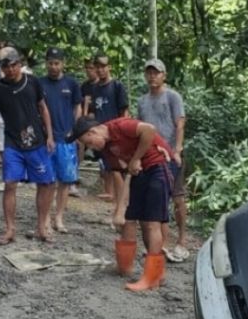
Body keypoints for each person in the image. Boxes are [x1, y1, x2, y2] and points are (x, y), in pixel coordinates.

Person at [69, 116, 173, 292]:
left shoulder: (121, 126)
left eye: (90, 143)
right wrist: (119, 209)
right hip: (138, 175)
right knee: (130, 219)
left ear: (93, 131)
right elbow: (125, 176)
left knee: (152, 223)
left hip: (157, 168)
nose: (91, 148)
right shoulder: (107, 150)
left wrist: (136, 158)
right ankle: (126, 267)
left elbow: (149, 129)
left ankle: (153, 277)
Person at [0, 46, 57, 245]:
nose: (10, 70)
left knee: (46, 183)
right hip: (12, 143)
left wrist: (50, 136)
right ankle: (10, 229)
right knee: (10, 184)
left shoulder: (32, 82)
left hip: (36, 141)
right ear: (1, 68)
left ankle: (42, 227)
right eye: (6, 66)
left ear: (20, 64)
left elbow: (43, 108)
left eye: (14, 65)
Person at [136, 58, 190, 263]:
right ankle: (160, 245)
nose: (152, 76)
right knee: (157, 199)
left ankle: (182, 240)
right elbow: (140, 127)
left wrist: (177, 149)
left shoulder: (172, 97)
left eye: (156, 73)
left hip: (170, 153)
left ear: (164, 75)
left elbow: (180, 123)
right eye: (149, 73)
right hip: (151, 155)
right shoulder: (142, 101)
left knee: (177, 197)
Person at [35, 48, 82, 233]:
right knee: (46, 181)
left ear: (63, 64)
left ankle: (59, 217)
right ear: (46, 63)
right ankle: (44, 217)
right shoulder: (39, 83)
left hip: (66, 139)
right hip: (45, 139)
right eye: (50, 63)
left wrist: (75, 130)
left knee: (65, 180)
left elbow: (77, 107)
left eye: (57, 63)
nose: (53, 67)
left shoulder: (71, 84)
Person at [87, 53, 129, 203]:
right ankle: (110, 196)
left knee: (118, 168)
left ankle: (122, 201)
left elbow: (124, 111)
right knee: (105, 166)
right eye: (98, 67)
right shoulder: (95, 88)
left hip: (115, 133)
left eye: (103, 67)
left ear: (109, 67)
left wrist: (123, 131)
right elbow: (93, 111)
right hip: (100, 134)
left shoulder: (117, 86)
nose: (100, 70)